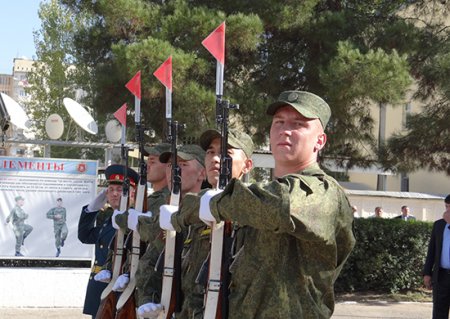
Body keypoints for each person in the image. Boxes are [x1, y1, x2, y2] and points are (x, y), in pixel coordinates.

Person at [196, 90, 355, 318]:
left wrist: (211, 203)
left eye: (298, 124)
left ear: (320, 140)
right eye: (279, 123)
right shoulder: (255, 197)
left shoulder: (323, 191)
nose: (285, 131)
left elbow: (280, 207)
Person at [157, 128, 254, 318]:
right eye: (210, 152)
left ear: (247, 165)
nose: (215, 159)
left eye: (226, 154)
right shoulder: (193, 209)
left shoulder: (253, 213)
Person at [136, 143, 206, 316]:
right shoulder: (166, 212)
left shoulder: (206, 214)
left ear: (202, 173)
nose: (174, 171)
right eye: (170, 165)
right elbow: (151, 261)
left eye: (183, 165)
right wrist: (147, 298)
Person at [77, 164, 139, 318]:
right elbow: (85, 236)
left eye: (120, 190)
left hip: (122, 290)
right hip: (100, 287)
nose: (114, 194)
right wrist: (91, 210)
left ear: (133, 194)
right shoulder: (107, 219)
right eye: (110, 190)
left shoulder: (135, 220)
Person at [423, 194, 450, 319]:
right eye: (446, 207)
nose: (447, 211)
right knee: (439, 312)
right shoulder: (438, 225)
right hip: (441, 276)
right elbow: (432, 251)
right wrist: (427, 273)